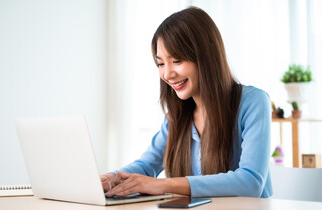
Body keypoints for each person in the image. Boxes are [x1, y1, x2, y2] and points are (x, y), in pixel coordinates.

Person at [101, 6, 272, 198]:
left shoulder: (253, 102)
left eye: (177, 60)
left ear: (206, 56)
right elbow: (147, 165)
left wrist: (164, 184)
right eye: (161, 63)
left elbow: (251, 182)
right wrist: (112, 178)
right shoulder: (178, 115)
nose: (167, 74)